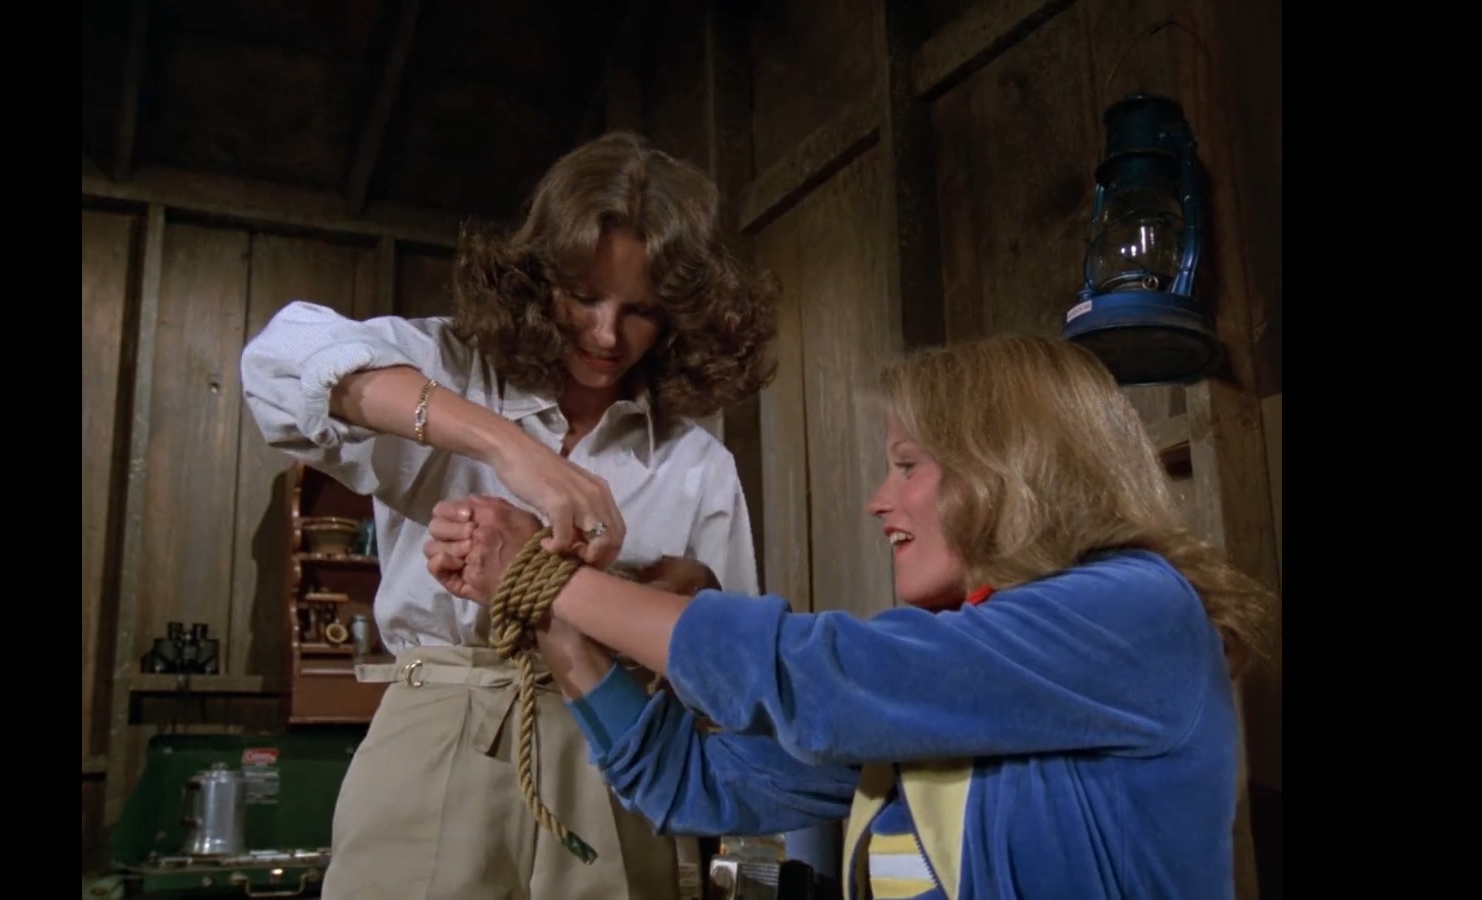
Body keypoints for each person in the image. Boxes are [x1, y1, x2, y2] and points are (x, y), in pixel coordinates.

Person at [425, 333, 1277, 900]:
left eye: (907, 465)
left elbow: (820, 680)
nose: (879, 500)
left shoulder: (1139, 609)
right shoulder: (949, 696)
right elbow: (690, 780)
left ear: (1008, 467)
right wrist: (553, 624)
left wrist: (550, 576)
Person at [238, 130, 779, 900]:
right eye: (584, 296)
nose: (606, 334)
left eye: (641, 311)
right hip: (439, 734)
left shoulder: (697, 465)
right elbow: (276, 362)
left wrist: (688, 600)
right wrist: (505, 445)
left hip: (621, 749)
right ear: (538, 277)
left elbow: (732, 682)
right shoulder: (447, 369)